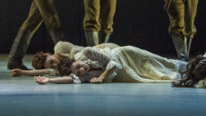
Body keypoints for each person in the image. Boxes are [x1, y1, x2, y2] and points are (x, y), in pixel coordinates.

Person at [34, 45, 187, 84]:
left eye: (79, 65)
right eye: (79, 71)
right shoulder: (79, 76)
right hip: (124, 73)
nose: (83, 69)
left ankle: (192, 65)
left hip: (125, 55)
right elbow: (71, 80)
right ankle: (189, 72)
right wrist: (49, 80)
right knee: (156, 74)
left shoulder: (85, 52)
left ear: (76, 60)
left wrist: (102, 76)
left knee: (162, 62)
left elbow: (112, 62)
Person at [11, 41, 120, 77]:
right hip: (101, 67)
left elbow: (82, 50)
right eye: (52, 66)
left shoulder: (60, 47)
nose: (55, 64)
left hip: (103, 51)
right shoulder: (60, 68)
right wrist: (22, 72)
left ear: (48, 54)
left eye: (52, 61)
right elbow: (43, 71)